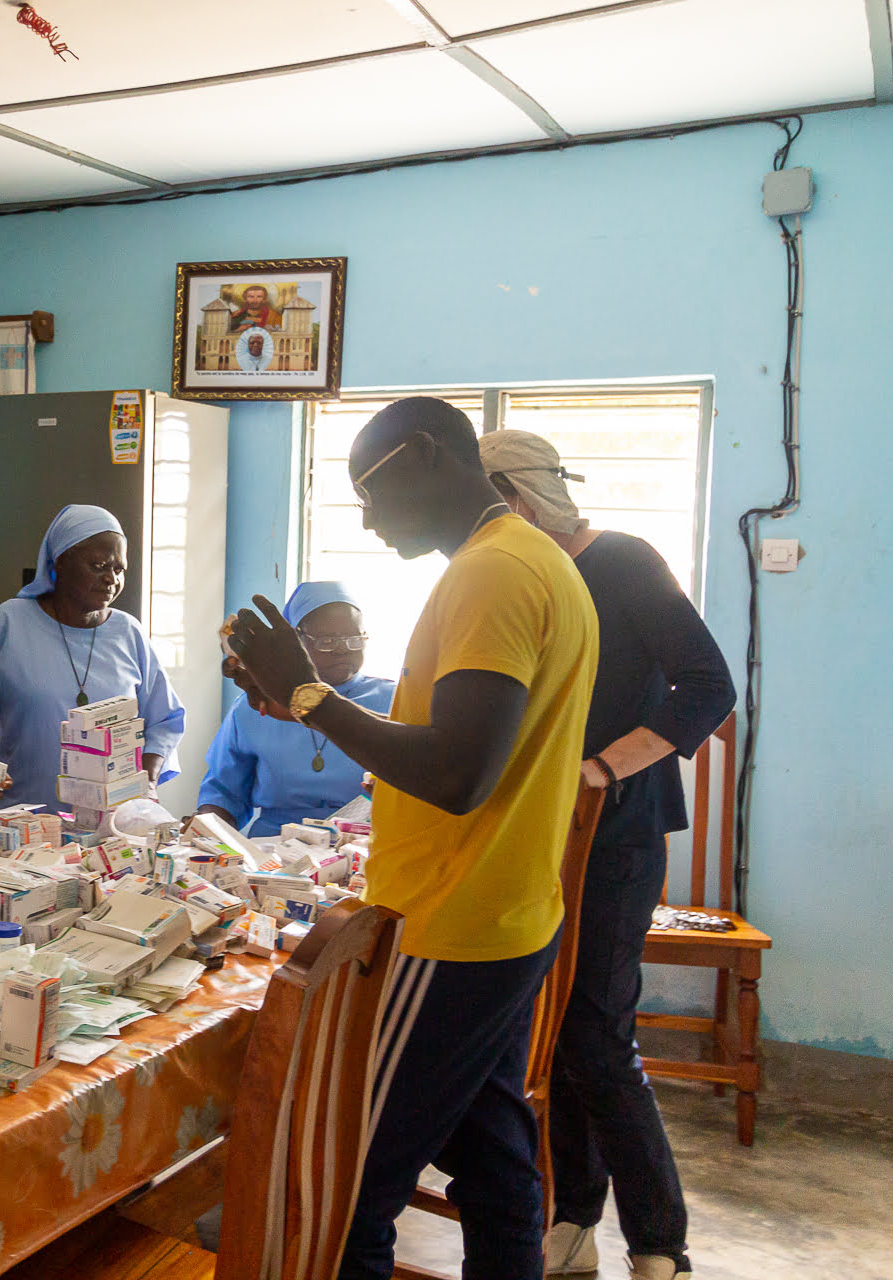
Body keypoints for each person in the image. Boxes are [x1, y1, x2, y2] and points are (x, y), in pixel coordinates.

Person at [224, 396, 597, 1280]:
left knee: (346, 1181)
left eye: (371, 490)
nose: (367, 517)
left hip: (449, 924)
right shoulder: (528, 559)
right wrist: (302, 700)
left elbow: (458, 773)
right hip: (507, 913)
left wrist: (314, 696)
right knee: (497, 1159)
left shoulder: (490, 575)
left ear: (427, 454)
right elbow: (469, 742)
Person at [479, 430, 733, 1280]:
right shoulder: (519, 574)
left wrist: (601, 768)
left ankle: (660, 1241)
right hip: (540, 836)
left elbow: (708, 683)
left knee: (596, 1037)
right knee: (553, 1036)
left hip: (618, 836)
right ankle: (575, 1218)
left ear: (516, 498)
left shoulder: (621, 561)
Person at [0, 504, 185, 815]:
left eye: (119, 568)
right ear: (59, 561)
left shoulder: (129, 632)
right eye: (99, 566)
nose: (111, 579)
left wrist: (148, 781)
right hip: (27, 823)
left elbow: (166, 721)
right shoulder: (12, 621)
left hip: (112, 827)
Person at [196, 582, 394, 837]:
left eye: (354, 639)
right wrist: (206, 829)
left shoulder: (393, 701)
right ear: (293, 642)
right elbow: (224, 791)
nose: (343, 649)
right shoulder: (256, 706)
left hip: (361, 847)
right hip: (272, 850)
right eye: (327, 641)